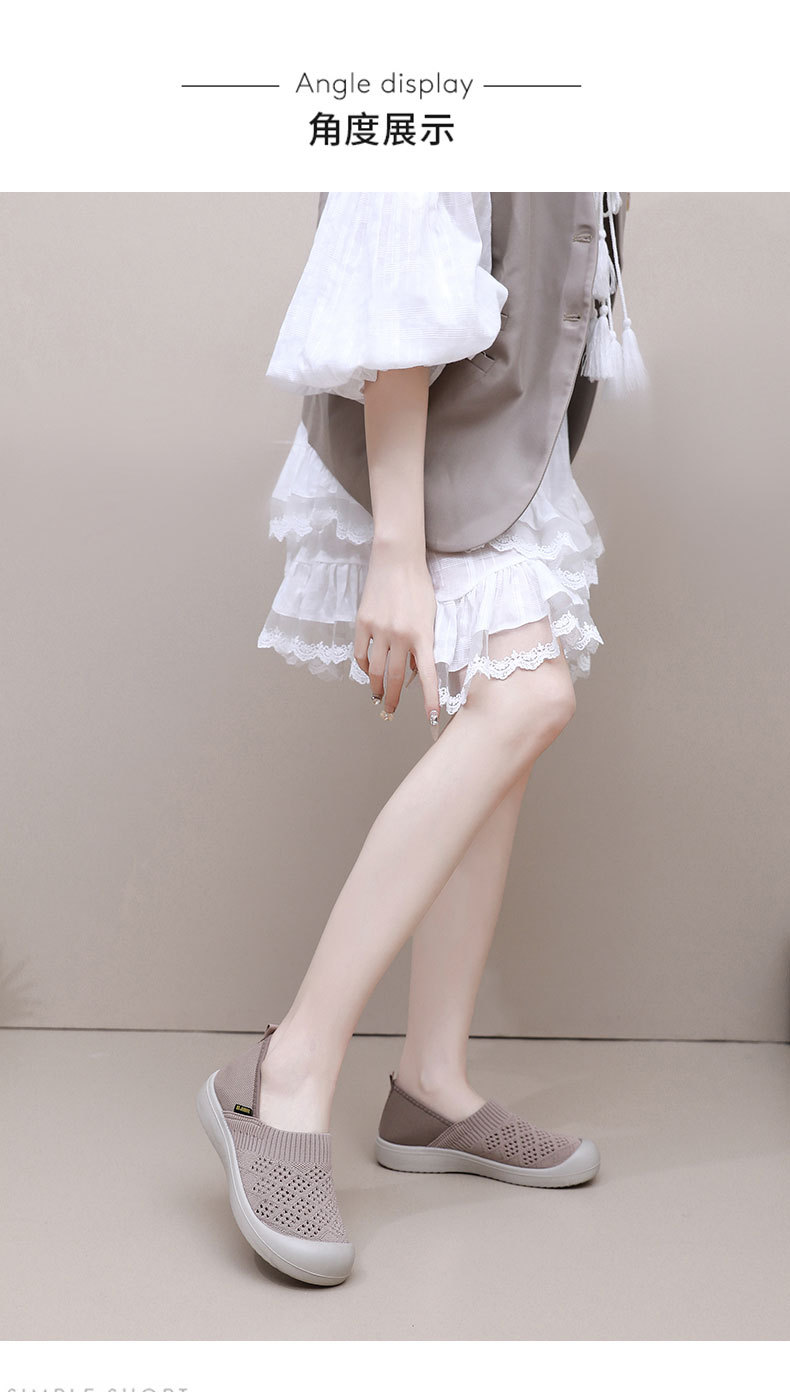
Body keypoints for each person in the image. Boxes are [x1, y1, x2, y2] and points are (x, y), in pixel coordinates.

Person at [197, 192, 647, 1287]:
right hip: (422, 435)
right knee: (526, 700)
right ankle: (284, 1072)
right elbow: (395, 241)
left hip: (499, 435)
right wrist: (397, 551)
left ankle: (431, 1087)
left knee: (506, 717)